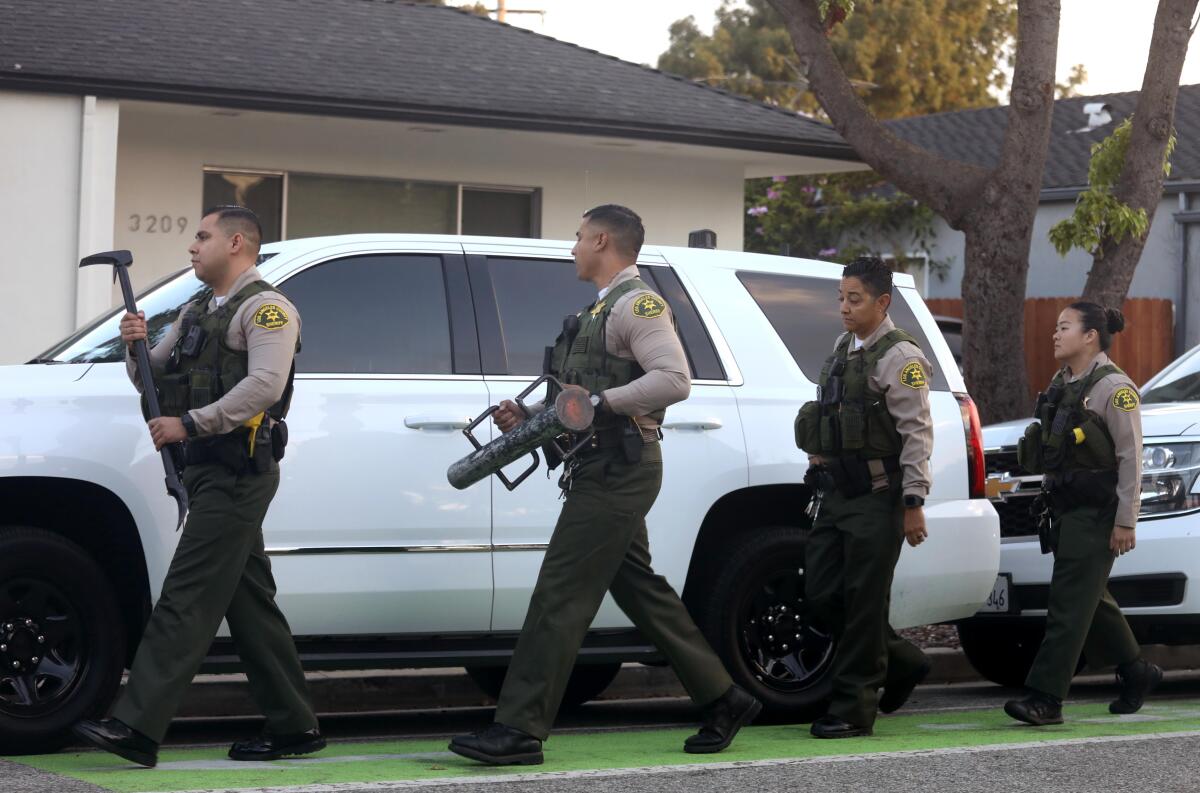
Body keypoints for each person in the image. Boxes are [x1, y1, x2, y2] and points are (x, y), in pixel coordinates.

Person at [449, 205, 760, 766]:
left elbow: (673, 380)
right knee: (640, 588)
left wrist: (598, 405)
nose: (571, 248)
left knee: (561, 593)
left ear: (600, 240)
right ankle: (725, 696)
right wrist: (532, 415)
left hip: (620, 469)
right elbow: (580, 395)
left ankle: (519, 729)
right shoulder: (596, 310)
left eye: (576, 238)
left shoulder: (637, 305)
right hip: (600, 465)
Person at [72, 206, 322, 767]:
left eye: (202, 237)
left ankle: (136, 726)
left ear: (237, 243)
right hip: (205, 467)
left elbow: (264, 386)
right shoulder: (196, 311)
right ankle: (294, 725)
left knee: (186, 593)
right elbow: (155, 378)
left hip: (238, 471)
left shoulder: (267, 310)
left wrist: (190, 423)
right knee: (248, 598)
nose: (193, 246)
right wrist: (135, 347)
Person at [794, 256, 934, 738]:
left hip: (880, 496)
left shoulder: (901, 358)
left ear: (882, 301)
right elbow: (831, 411)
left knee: (863, 600)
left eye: (855, 299)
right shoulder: (842, 347)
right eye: (841, 297)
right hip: (836, 494)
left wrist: (913, 503)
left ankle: (854, 708)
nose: (845, 307)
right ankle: (902, 662)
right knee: (820, 592)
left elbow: (917, 434)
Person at [1005, 302, 1161, 725]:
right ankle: (1136, 671)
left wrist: (1126, 520)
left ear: (1090, 336)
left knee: (1068, 606)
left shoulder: (1114, 387)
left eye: (1064, 327)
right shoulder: (1064, 382)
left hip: (1097, 513)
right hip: (1066, 510)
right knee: (1090, 599)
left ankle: (1046, 698)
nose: (1055, 335)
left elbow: (1131, 457)